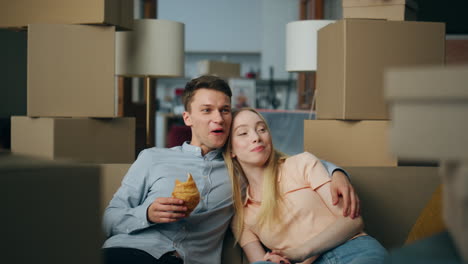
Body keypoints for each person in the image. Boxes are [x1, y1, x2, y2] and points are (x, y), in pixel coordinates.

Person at [102, 75, 359, 264]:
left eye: (225, 110)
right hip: (132, 252)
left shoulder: (240, 170)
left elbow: (285, 164)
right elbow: (109, 219)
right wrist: (147, 213)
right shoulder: (152, 158)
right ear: (187, 118)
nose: (219, 118)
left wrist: (336, 172)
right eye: (207, 110)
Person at [224, 108, 387, 264]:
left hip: (353, 252)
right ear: (231, 150)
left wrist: (301, 252)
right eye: (243, 133)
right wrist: (273, 259)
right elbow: (261, 261)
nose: (256, 137)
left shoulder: (301, 164)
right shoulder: (242, 216)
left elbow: (353, 221)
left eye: (261, 129)